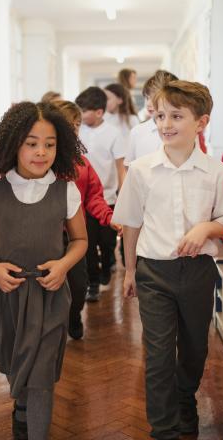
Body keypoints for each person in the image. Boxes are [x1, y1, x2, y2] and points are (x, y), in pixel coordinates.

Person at [114, 80, 223, 439]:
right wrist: (130, 271)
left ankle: (186, 399)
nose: (165, 124)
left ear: (201, 122)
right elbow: (132, 222)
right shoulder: (140, 170)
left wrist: (204, 229)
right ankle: (163, 429)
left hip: (198, 272)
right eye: (161, 115)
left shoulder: (217, 172)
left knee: (195, 348)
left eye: (176, 116)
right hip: (154, 272)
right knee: (158, 354)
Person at [0, 101, 88, 440]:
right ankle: (21, 408)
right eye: (32, 143)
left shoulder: (65, 189)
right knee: (16, 367)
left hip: (50, 294)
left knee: (41, 379)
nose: (41, 152)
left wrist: (64, 265)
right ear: (14, 145)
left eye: (50, 144)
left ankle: (34, 427)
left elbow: (80, 239)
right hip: (8, 295)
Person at [48, 98, 119, 338]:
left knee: (79, 286)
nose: (73, 130)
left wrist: (109, 218)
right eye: (67, 125)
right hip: (44, 238)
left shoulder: (81, 163)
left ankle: (73, 315)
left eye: (76, 125)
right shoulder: (37, 161)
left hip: (75, 238)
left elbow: (94, 197)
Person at [74, 87, 126, 301]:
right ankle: (92, 284)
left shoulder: (113, 133)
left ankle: (107, 269)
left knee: (107, 243)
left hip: (108, 198)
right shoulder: (78, 132)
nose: (81, 115)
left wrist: (122, 193)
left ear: (98, 112)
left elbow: (120, 166)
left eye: (84, 111)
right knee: (88, 243)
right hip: (84, 200)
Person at [125, 70, 178, 166]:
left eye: (154, 98)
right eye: (146, 98)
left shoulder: (182, 129)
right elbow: (128, 167)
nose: (148, 104)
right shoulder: (137, 132)